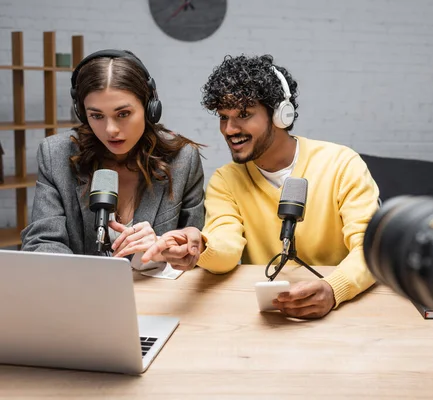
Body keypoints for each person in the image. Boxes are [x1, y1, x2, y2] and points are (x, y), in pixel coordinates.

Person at [144, 54, 380, 319]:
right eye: (223, 117)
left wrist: (334, 289)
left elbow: (371, 249)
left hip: (342, 312)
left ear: (280, 114)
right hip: (269, 314)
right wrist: (202, 246)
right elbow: (227, 246)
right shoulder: (226, 180)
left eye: (244, 115)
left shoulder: (341, 164)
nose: (230, 129)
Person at [21, 49, 204, 270]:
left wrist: (168, 251)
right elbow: (41, 244)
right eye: (96, 116)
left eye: (123, 114)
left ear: (149, 109)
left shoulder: (183, 159)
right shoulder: (56, 155)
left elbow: (196, 252)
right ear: (83, 113)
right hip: (80, 297)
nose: (111, 130)